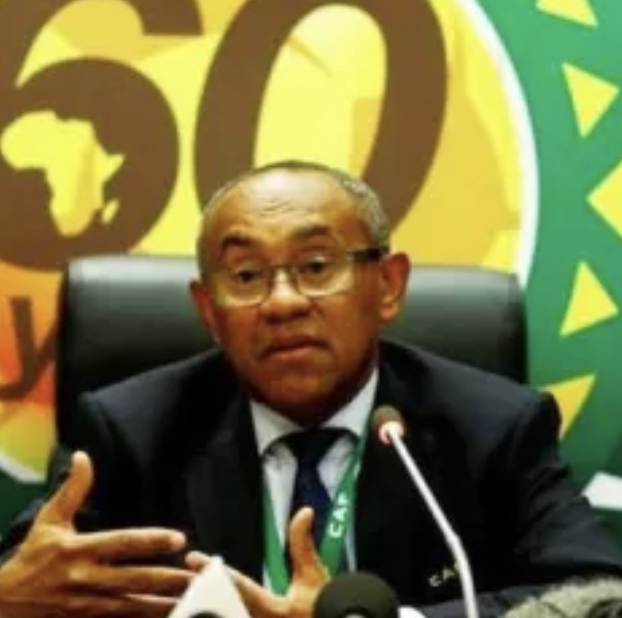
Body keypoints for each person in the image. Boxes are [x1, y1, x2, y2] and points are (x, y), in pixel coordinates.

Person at [0, 160, 621, 618]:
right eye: (246, 275)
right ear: (209, 311)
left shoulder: (494, 425)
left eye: (317, 266)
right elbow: (32, 574)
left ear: (388, 286)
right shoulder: (129, 429)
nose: (283, 302)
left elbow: (600, 596)